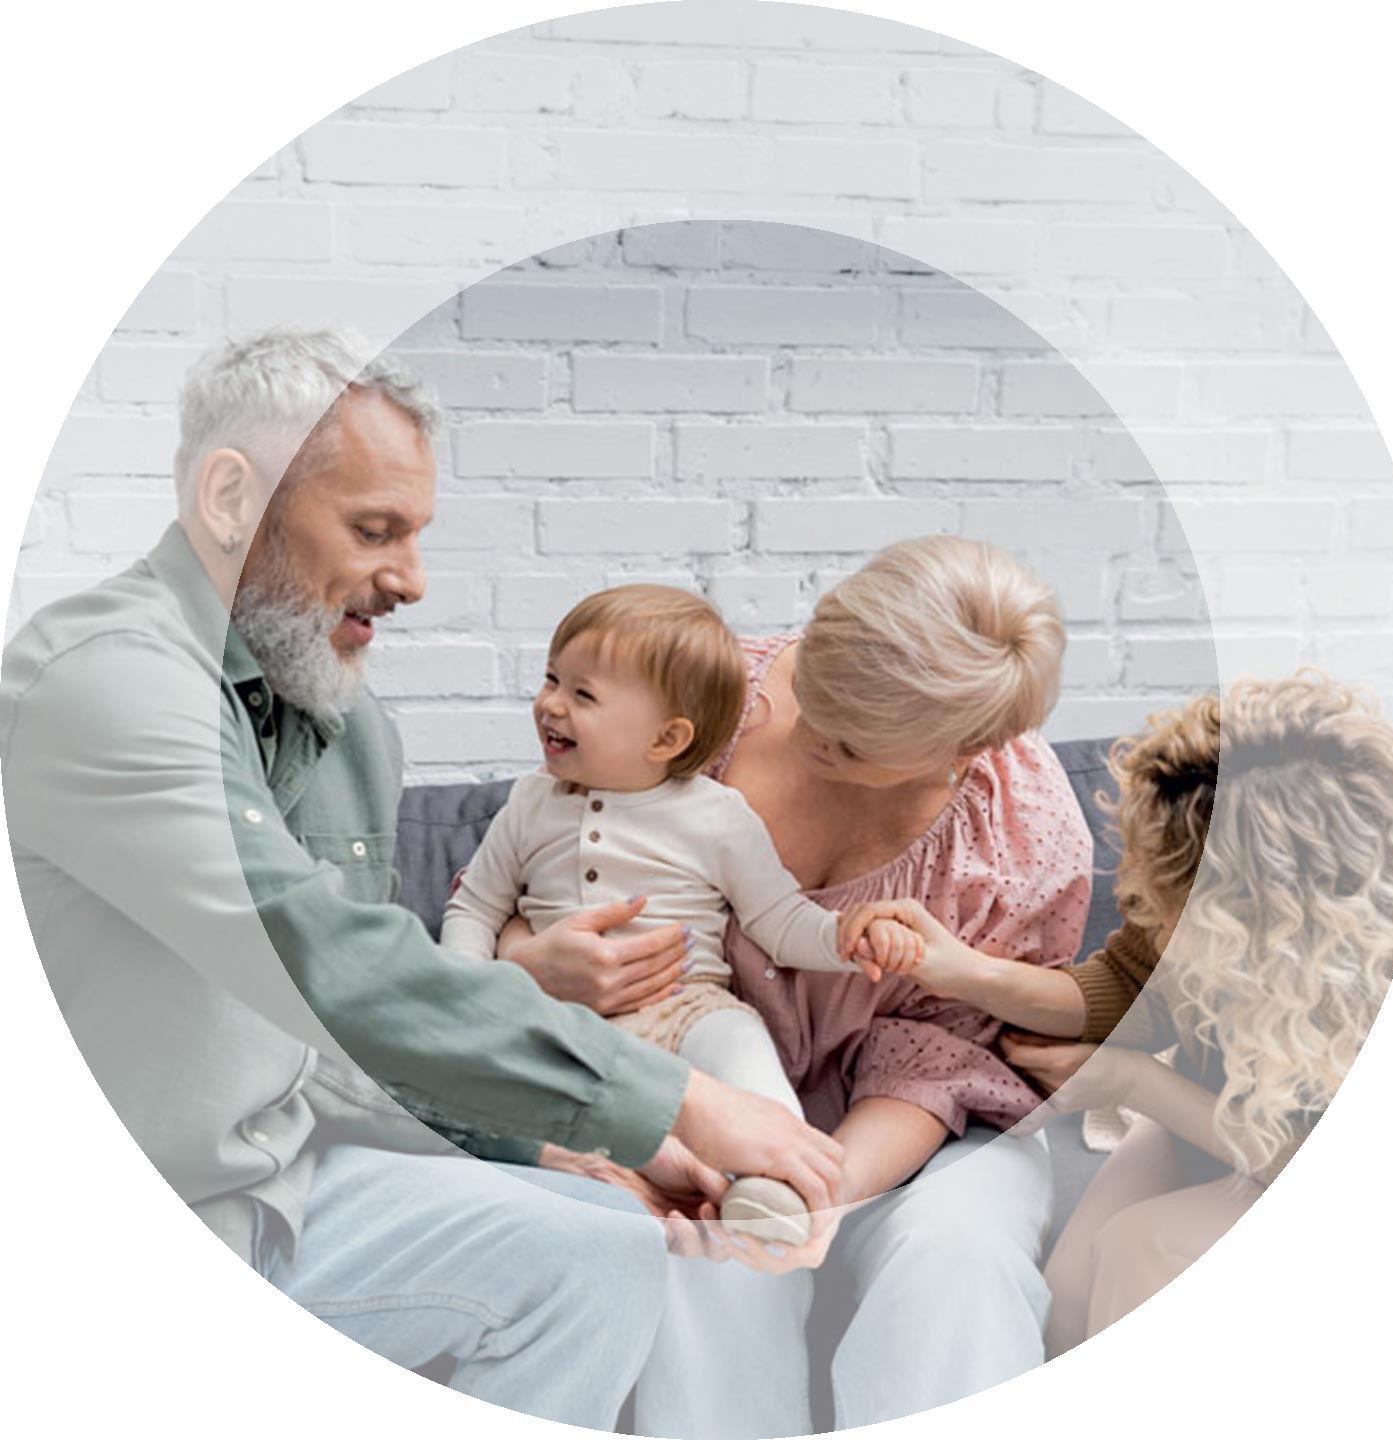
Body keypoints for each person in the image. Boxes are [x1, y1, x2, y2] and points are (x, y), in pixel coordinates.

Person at [0, 327, 843, 1428]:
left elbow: (342, 1040)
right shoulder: (103, 688)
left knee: (605, 1253)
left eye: (415, 535)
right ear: (227, 498)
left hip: (292, 1182)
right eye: (373, 531)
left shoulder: (348, 725)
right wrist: (674, 1100)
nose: (410, 579)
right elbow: (330, 960)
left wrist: (540, 1140)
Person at [500, 535, 1094, 1434]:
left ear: (964, 747)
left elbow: (937, 1061)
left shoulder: (1020, 834)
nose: (805, 734)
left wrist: (806, 1185)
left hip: (921, 1134)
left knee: (958, 1262)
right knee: (705, 1255)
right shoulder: (700, 696)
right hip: (687, 1093)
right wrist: (530, 965)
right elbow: (537, 861)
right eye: (808, 691)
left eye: (847, 745)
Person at [849, 673, 1393, 1356]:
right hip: (1219, 1112)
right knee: (1064, 1297)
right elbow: (1123, 987)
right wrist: (966, 974)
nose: (1138, 895)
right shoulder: (1191, 895)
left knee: (1143, 1246)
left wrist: (1129, 1083)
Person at [442, 584, 920, 1243]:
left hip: (687, 1006)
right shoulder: (531, 802)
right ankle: (633, 1180)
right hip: (561, 1020)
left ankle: (779, 1187)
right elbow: (475, 906)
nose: (549, 704)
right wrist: (469, 993)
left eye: (583, 694)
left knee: (742, 1049)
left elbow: (778, 919)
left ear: (667, 737)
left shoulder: (716, 815)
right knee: (511, 1083)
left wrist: (844, 938)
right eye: (552, 678)